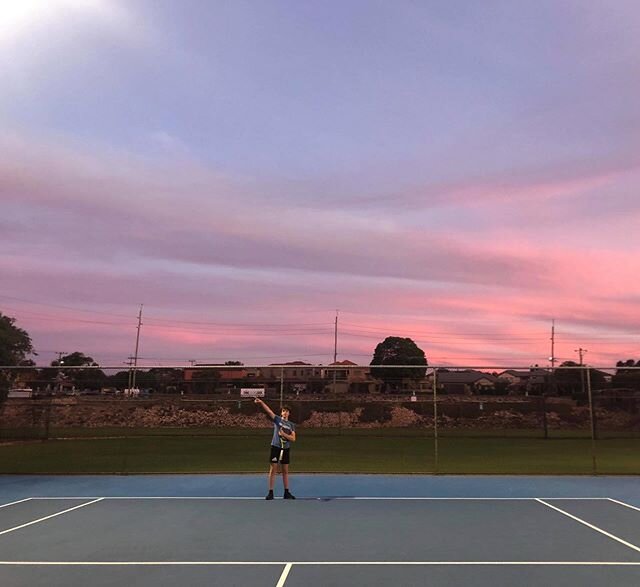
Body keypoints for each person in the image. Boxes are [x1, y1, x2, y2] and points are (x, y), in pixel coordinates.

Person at [254, 397, 296, 500]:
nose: (285, 413)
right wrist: (261, 402)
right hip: (275, 447)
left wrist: (283, 434)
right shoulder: (277, 419)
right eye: (283, 411)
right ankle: (271, 492)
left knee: (285, 471)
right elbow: (268, 411)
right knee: (273, 469)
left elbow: (293, 438)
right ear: (281, 413)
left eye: (287, 411)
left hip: (285, 448)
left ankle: (286, 492)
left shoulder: (291, 425)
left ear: (289, 414)